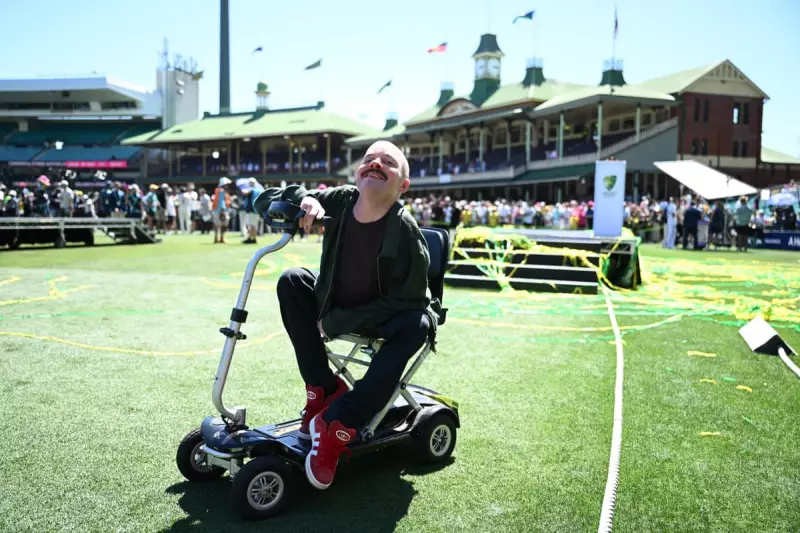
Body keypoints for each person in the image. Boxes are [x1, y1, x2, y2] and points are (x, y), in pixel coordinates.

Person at [253, 140, 441, 491]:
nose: (375, 163)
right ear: (357, 174)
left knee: (417, 324)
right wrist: (302, 197)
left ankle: (340, 421)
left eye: (388, 162)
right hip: (333, 303)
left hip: (386, 317)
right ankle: (323, 390)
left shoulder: (406, 231)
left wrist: (339, 322)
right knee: (293, 280)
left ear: (402, 185)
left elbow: (411, 301)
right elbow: (269, 199)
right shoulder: (338, 200)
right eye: (369, 159)